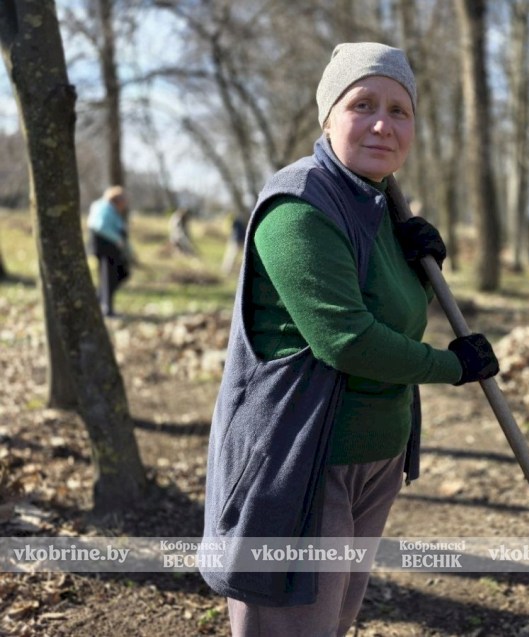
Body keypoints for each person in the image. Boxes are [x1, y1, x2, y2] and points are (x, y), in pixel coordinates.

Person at [200, 42, 500, 637]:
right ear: (328, 116)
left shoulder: (379, 200)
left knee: (331, 622)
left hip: (372, 457)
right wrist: (451, 367)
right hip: (302, 458)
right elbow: (348, 338)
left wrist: (416, 260)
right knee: (288, 626)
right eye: (363, 104)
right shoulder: (301, 205)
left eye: (400, 109)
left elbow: (387, 304)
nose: (384, 124)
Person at [87, 185, 132, 317]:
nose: (124, 206)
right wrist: (117, 239)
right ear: (117, 200)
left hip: (110, 249)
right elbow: (99, 226)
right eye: (123, 202)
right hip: (106, 248)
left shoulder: (109, 209)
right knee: (108, 278)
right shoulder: (104, 208)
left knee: (116, 276)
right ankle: (107, 308)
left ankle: (99, 300)